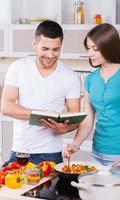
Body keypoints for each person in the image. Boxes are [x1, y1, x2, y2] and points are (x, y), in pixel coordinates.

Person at [1, 20, 81, 165]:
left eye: (56, 50)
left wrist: (66, 128)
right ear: (35, 45)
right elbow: (6, 107)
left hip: (51, 154)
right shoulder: (18, 68)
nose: (50, 55)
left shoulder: (71, 77)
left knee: (52, 189)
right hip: (20, 152)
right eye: (45, 49)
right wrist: (42, 115)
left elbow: (75, 117)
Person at [63, 23, 120, 169]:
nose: (90, 53)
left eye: (95, 48)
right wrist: (75, 144)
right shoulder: (90, 79)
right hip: (97, 155)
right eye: (88, 48)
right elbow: (88, 120)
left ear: (109, 47)